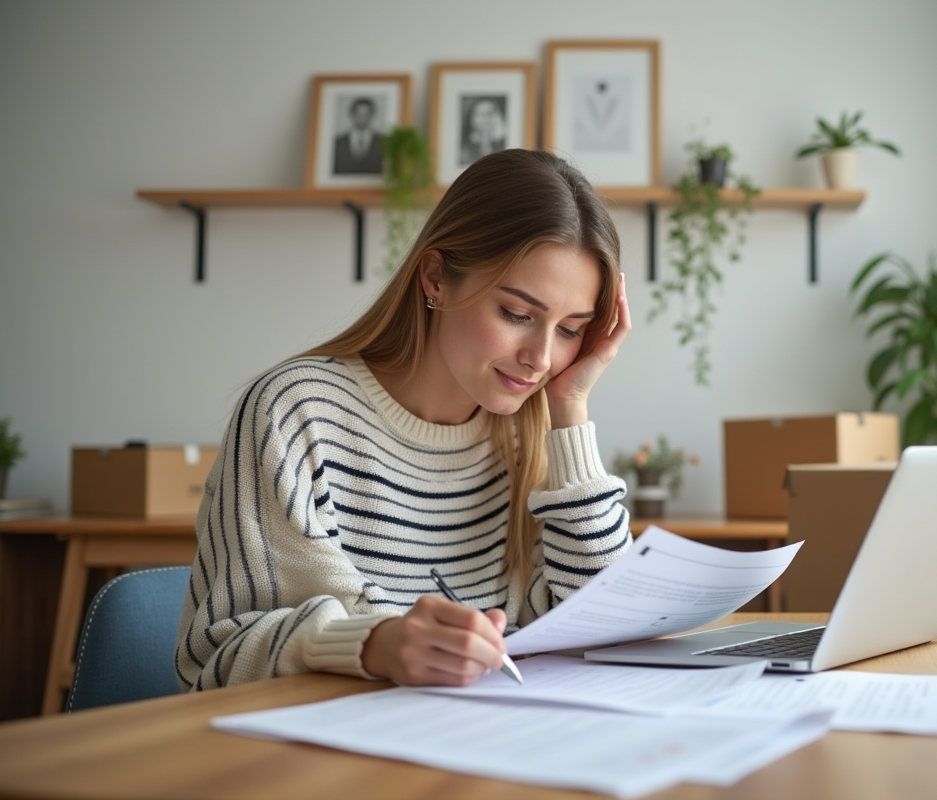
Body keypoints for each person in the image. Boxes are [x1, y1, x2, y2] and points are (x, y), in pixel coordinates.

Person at [176, 149, 633, 691]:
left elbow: (606, 626)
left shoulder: (529, 440)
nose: (541, 357)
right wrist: (374, 646)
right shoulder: (295, 413)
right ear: (436, 279)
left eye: (571, 329)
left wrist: (571, 409)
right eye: (517, 314)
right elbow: (215, 661)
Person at [332, 96, 384, 175]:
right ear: (352, 115)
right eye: (359, 114)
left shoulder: (383, 141)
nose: (362, 118)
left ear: (372, 115)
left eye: (366, 114)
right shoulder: (338, 142)